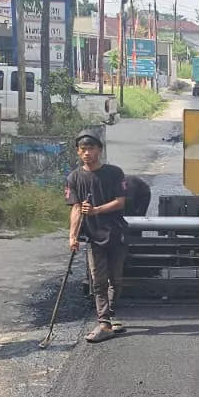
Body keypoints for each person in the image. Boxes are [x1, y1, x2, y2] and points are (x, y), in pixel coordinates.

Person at [66, 129, 128, 343]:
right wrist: (72, 236)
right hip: (93, 236)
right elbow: (75, 208)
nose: (87, 153)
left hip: (116, 233)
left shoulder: (114, 173)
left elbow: (120, 202)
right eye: (83, 149)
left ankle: (110, 315)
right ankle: (104, 323)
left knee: (115, 280)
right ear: (77, 152)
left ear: (99, 150)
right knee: (98, 280)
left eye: (91, 148)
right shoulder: (74, 177)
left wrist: (96, 210)